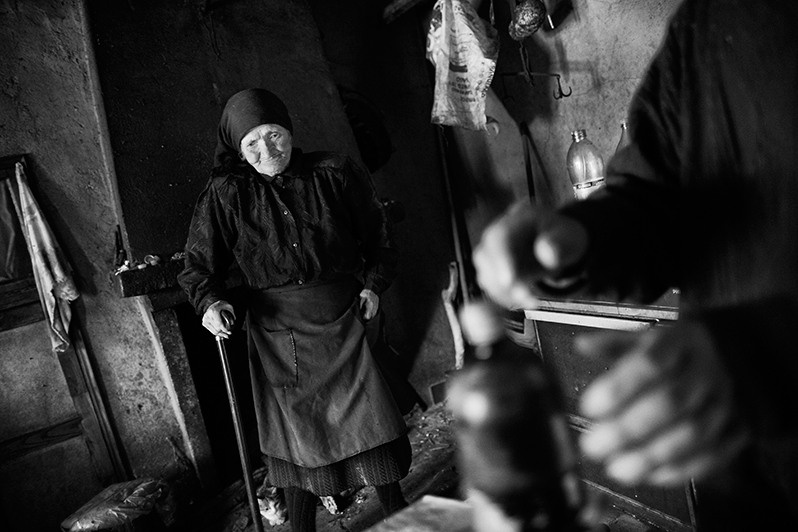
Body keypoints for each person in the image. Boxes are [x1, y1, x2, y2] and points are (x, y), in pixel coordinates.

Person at [469, 0, 798, 529]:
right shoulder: (707, 25)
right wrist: (579, 238)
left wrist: (761, 356)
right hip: (740, 484)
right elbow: (654, 196)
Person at [178, 88, 410, 532]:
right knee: (299, 439)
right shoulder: (226, 194)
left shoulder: (334, 172)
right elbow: (196, 269)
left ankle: (400, 516)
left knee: (372, 425)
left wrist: (374, 287)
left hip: (346, 318)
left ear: (289, 129)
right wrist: (210, 303)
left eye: (274, 134)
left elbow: (380, 239)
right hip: (277, 332)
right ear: (237, 149)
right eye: (252, 143)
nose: (268, 150)